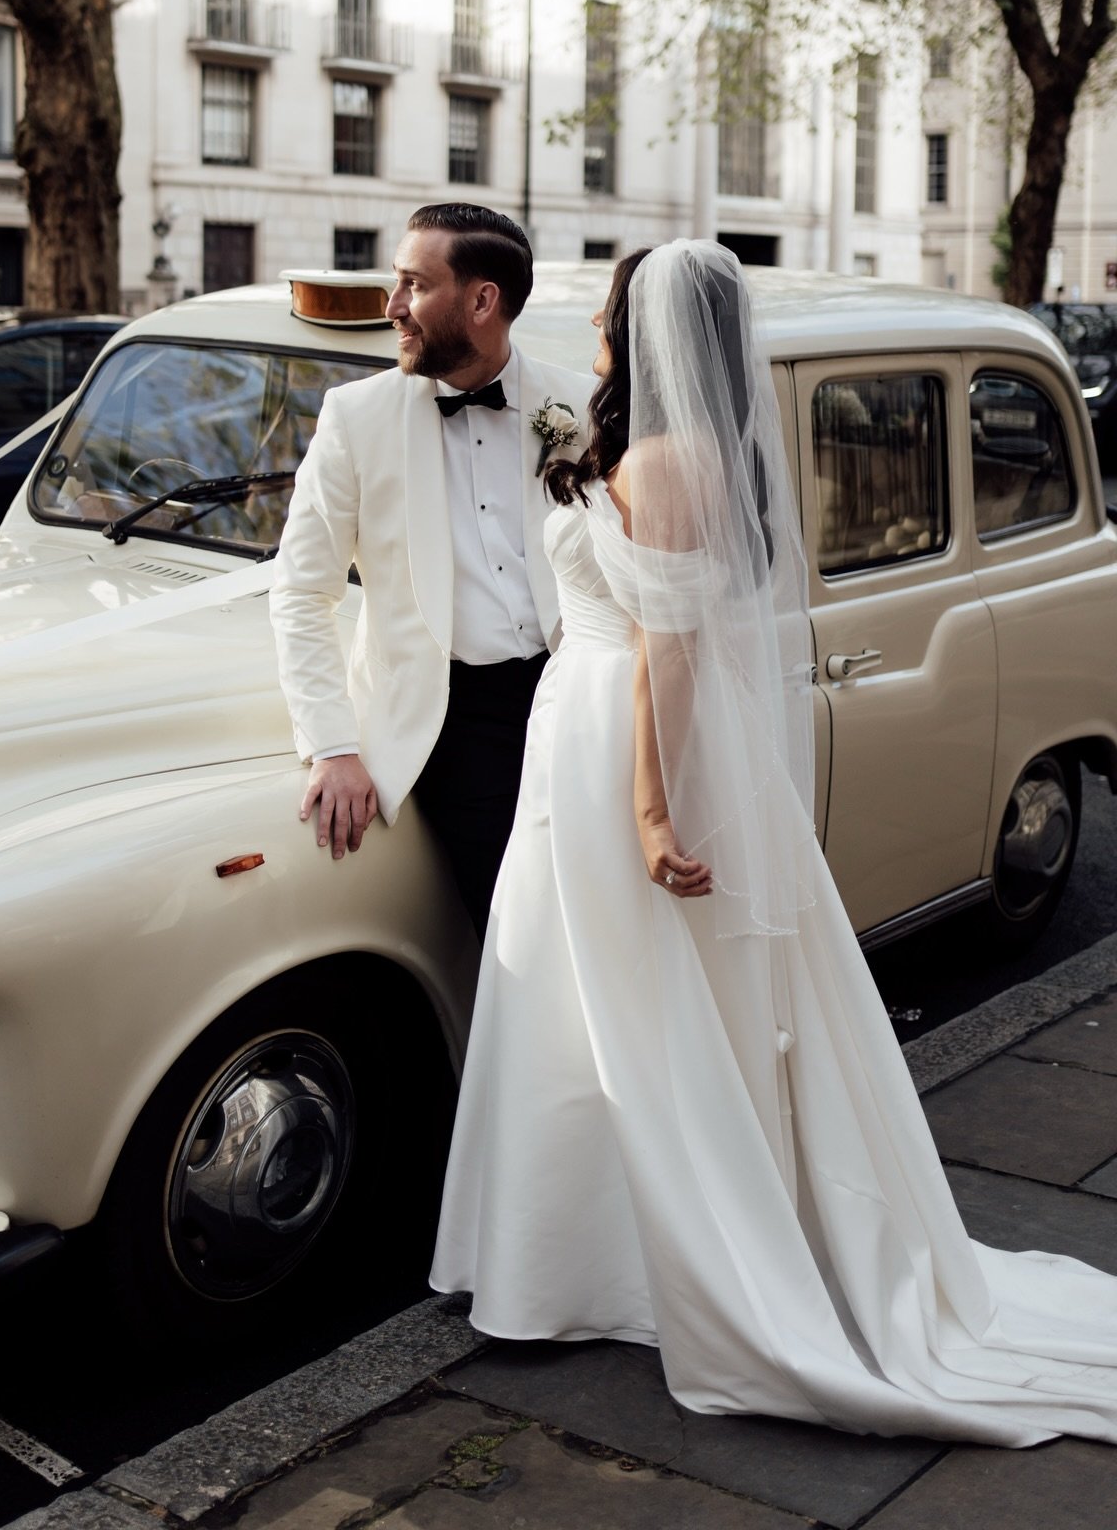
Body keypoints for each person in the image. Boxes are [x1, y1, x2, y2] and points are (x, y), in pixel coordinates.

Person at [432, 239, 1117, 1445]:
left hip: (620, 746)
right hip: (579, 728)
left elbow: (670, 652)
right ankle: (578, 1257)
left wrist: (650, 810)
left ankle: (624, 1269)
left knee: (637, 1006)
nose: (594, 319)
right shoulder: (663, 450)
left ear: (650, 334)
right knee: (579, 996)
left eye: (612, 306)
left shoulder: (664, 459)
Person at [269, 203, 589, 939]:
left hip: (574, 699)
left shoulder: (572, 408)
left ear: (484, 301)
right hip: (454, 723)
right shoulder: (356, 418)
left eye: (414, 285)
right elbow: (301, 593)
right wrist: (335, 745)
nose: (393, 308)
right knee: (522, 935)